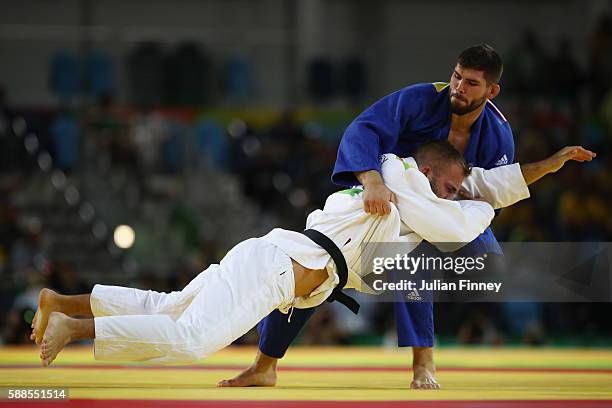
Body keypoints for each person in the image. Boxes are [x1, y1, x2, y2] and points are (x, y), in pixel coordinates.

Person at [31, 141, 594, 368]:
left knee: (169, 306)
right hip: (278, 268)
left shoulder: (404, 201)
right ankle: (73, 330)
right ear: (426, 172)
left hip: (274, 256)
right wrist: (481, 204)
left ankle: (63, 301)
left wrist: (543, 167)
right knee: (192, 341)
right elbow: (468, 211)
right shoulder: (400, 180)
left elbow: (477, 197)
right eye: (449, 185)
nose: (454, 194)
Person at [227, 43, 515, 390]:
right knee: (315, 266)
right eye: (456, 77)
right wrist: (372, 179)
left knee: (481, 261)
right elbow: (363, 130)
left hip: (442, 212)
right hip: (387, 201)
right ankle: (264, 364)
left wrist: (452, 225)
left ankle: (427, 362)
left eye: (471, 83)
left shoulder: (498, 137)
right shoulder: (419, 100)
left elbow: (490, 197)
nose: (458, 87)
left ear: (492, 91)